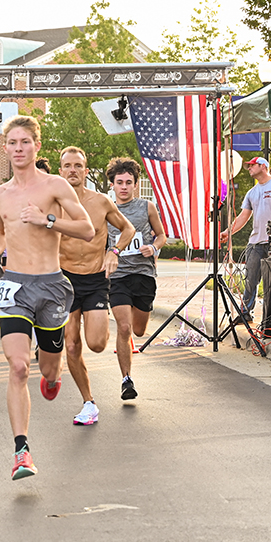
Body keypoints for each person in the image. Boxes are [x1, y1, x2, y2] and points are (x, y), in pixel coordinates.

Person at [0, 116, 94, 480]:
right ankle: (21, 452)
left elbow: (87, 229)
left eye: (25, 142)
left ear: (36, 146)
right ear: (5, 148)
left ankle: (52, 377)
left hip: (51, 286)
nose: (18, 149)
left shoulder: (55, 186)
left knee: (48, 368)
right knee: (16, 366)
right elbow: (1, 233)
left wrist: (48, 220)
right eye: (12, 143)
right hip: (13, 286)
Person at [57, 147, 136, 426]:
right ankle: (88, 402)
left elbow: (128, 229)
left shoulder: (101, 202)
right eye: (68, 166)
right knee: (71, 344)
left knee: (97, 343)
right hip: (64, 281)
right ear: (60, 170)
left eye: (78, 166)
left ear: (86, 171)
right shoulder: (52, 204)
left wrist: (113, 252)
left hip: (94, 279)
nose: (73, 170)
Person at [104, 156, 167, 402]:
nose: (124, 187)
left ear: (135, 184)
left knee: (138, 331)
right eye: (119, 182)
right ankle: (126, 379)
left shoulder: (146, 207)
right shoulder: (106, 209)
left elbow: (161, 235)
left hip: (143, 274)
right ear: (112, 185)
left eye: (129, 182)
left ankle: (129, 338)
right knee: (123, 326)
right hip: (117, 276)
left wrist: (154, 247)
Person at [224, 157, 271, 319]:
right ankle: (245, 312)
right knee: (251, 278)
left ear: (262, 166)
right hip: (255, 243)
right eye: (248, 166)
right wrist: (228, 232)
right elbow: (243, 216)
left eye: (252, 165)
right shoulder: (252, 192)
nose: (248, 168)